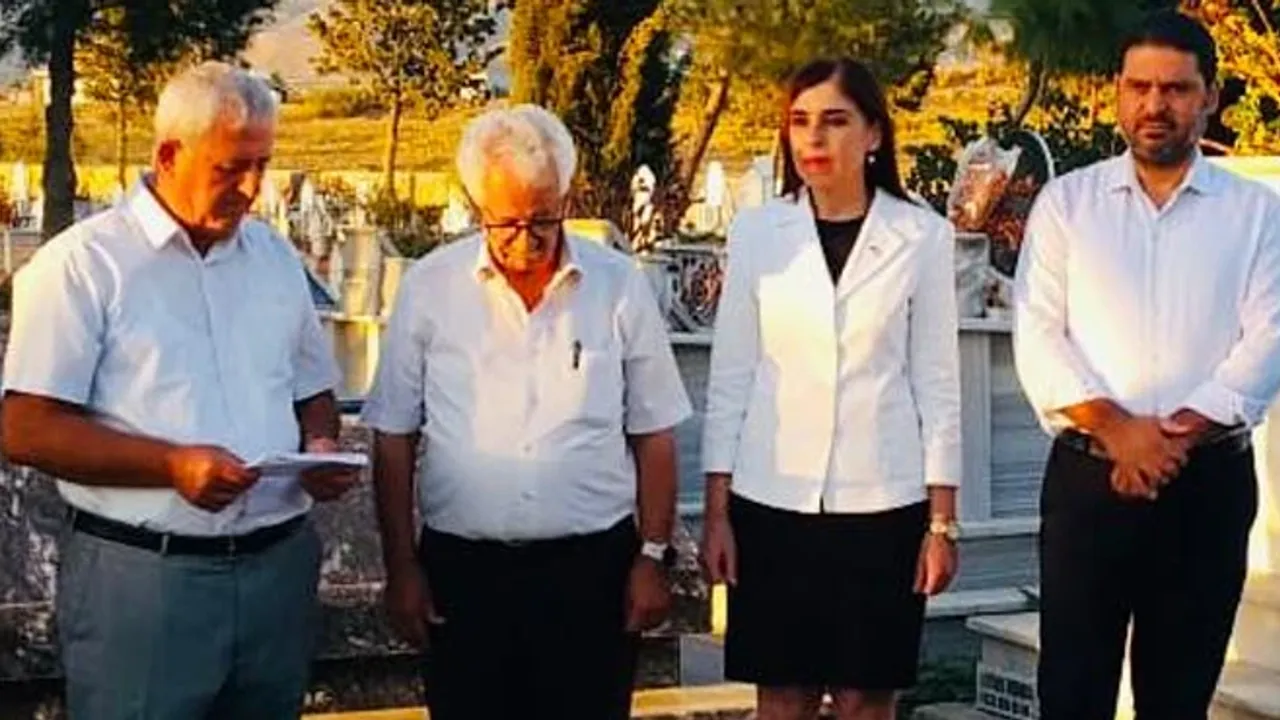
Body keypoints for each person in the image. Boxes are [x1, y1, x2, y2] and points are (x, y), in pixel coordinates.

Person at [0, 61, 360, 719]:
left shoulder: (274, 258)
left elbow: (313, 388)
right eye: (231, 168)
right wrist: (170, 465)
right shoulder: (83, 264)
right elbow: (26, 427)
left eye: (262, 164)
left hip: (276, 568)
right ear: (169, 155)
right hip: (144, 578)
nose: (252, 188)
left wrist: (319, 444)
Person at [361, 104, 692, 720]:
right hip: (465, 575)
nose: (525, 238)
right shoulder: (430, 286)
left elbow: (654, 432)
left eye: (543, 218)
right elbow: (394, 435)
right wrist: (401, 565)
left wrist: (652, 556)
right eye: (506, 222)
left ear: (564, 197)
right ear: (477, 206)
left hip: (590, 573)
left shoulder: (618, 285)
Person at [1012, 11, 1280, 718]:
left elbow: (1268, 340)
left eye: (1176, 88)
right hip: (1088, 484)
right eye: (1139, 86)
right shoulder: (1067, 206)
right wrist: (1119, 431)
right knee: (1072, 694)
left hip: (1207, 486)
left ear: (1209, 96)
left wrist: (1169, 438)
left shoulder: (1258, 215)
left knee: (1178, 697)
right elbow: (1038, 335)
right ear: (1117, 92)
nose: (1154, 105)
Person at [700, 57, 963, 720]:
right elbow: (731, 378)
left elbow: (937, 385)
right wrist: (716, 514)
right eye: (800, 121)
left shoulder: (921, 236)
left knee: (862, 697)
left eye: (835, 120)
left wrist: (941, 523)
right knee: (782, 694)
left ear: (873, 134)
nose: (814, 138)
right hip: (772, 498)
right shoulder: (758, 233)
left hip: (884, 503)